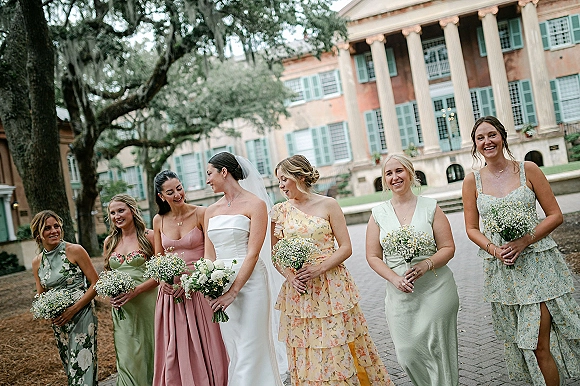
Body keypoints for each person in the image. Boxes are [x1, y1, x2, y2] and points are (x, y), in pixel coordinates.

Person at [462, 116, 580, 386]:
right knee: (527, 345)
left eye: (491, 135)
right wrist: (494, 249)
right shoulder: (472, 182)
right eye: (480, 138)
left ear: (502, 136)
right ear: (475, 145)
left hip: (540, 267)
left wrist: (525, 240)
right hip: (504, 272)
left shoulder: (528, 169)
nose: (487, 142)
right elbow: (471, 228)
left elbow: (555, 215)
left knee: (540, 343)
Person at [272, 154, 393, 386]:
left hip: (332, 287)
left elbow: (346, 247)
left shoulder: (329, 204)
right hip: (300, 292)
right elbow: (275, 254)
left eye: (284, 179)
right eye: (279, 181)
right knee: (308, 347)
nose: (281, 186)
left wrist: (319, 269)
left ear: (299, 176)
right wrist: (290, 276)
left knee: (338, 343)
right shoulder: (280, 212)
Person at [366, 154, 459, 386]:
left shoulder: (431, 207)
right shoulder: (378, 214)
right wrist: (395, 279)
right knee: (407, 354)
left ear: (410, 173)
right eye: (389, 173)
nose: (395, 177)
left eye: (399, 171)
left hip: (436, 287)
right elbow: (373, 256)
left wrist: (426, 264)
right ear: (384, 180)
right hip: (400, 293)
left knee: (439, 350)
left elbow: (448, 247)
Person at [204, 152, 283, 386]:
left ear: (224, 172)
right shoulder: (210, 211)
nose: (207, 180)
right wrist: (208, 283)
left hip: (251, 284)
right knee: (235, 346)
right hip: (220, 283)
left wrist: (234, 291)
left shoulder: (255, 205)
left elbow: (253, 253)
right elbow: (209, 255)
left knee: (251, 345)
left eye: (210, 174)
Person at [152, 170, 228, 386]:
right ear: (161, 196)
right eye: (170, 192)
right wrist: (163, 281)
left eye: (179, 188)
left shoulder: (201, 213)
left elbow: (210, 254)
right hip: (171, 294)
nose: (177, 194)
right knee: (176, 346)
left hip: (199, 288)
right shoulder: (159, 220)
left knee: (208, 341)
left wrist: (192, 282)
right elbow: (158, 259)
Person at [30, 210, 99, 385]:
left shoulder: (74, 250)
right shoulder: (37, 262)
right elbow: (41, 294)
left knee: (83, 364)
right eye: (47, 228)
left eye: (56, 226)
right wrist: (47, 310)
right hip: (60, 322)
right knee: (70, 366)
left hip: (82, 315)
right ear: (38, 234)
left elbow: (95, 284)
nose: (54, 231)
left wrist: (73, 309)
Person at [103, 194, 158, 386]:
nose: (117, 216)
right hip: (122, 307)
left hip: (148, 303)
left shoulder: (149, 236)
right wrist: (110, 291)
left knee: (151, 351)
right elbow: (107, 274)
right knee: (127, 356)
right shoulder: (109, 241)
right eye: (112, 212)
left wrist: (137, 290)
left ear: (132, 211)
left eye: (121, 210)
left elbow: (160, 274)